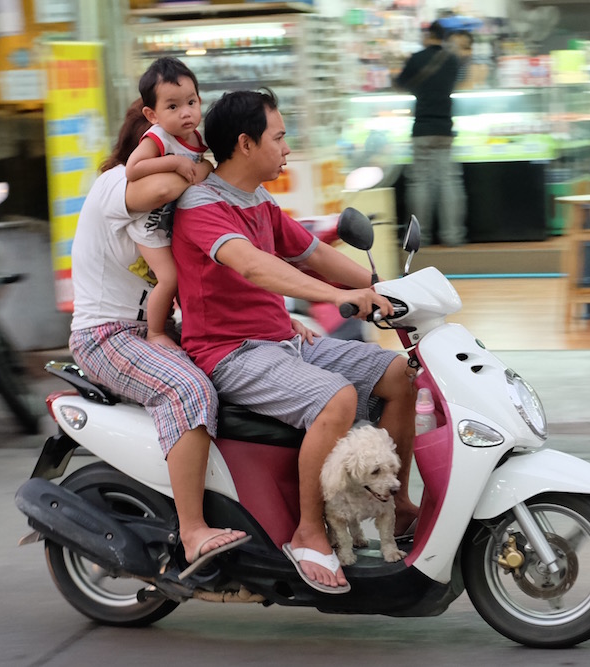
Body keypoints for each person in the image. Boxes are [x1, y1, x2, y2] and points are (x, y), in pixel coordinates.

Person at [171, 89, 419, 594]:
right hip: (230, 352)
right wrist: (343, 295)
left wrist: (390, 291)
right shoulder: (201, 206)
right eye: (279, 137)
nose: (287, 148)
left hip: (283, 341)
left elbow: (315, 254)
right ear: (245, 144)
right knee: (337, 397)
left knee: (398, 374)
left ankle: (397, 503)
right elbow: (253, 266)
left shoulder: (259, 200)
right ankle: (309, 532)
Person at [67, 91, 248, 578]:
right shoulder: (115, 187)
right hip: (106, 335)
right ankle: (192, 529)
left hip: (153, 328)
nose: (194, 141)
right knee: (188, 389)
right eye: (179, 124)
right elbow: (160, 186)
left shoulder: (174, 202)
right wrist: (190, 163)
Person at [124, 56, 210, 349]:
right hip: (148, 227)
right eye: (172, 107)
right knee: (170, 278)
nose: (185, 113)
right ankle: (156, 332)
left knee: (191, 276)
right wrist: (171, 162)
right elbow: (132, 170)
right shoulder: (158, 138)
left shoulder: (196, 138)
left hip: (170, 225)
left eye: (191, 102)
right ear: (152, 114)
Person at [396, 20, 466, 247]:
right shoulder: (452, 60)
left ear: (427, 35)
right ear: (444, 37)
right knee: (449, 182)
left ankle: (421, 237)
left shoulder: (416, 58)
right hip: (445, 129)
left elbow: (399, 84)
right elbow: (457, 84)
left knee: (420, 183)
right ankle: (453, 236)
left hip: (422, 128)